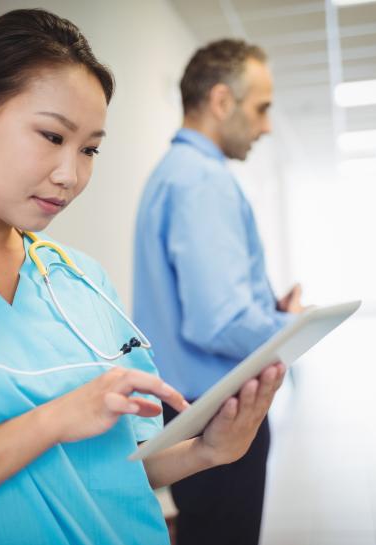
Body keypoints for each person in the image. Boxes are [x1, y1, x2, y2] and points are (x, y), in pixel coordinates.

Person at [0, 11, 286, 545]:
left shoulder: (81, 280)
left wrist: (207, 452)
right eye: (51, 135)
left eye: (89, 149)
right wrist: (50, 422)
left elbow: (120, 467)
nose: (70, 175)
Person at [134, 39, 304, 545]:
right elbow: (218, 322)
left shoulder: (173, 174)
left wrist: (265, 312)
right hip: (217, 414)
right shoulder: (201, 181)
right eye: (262, 108)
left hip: (194, 409)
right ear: (222, 102)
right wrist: (292, 327)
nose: (268, 125)